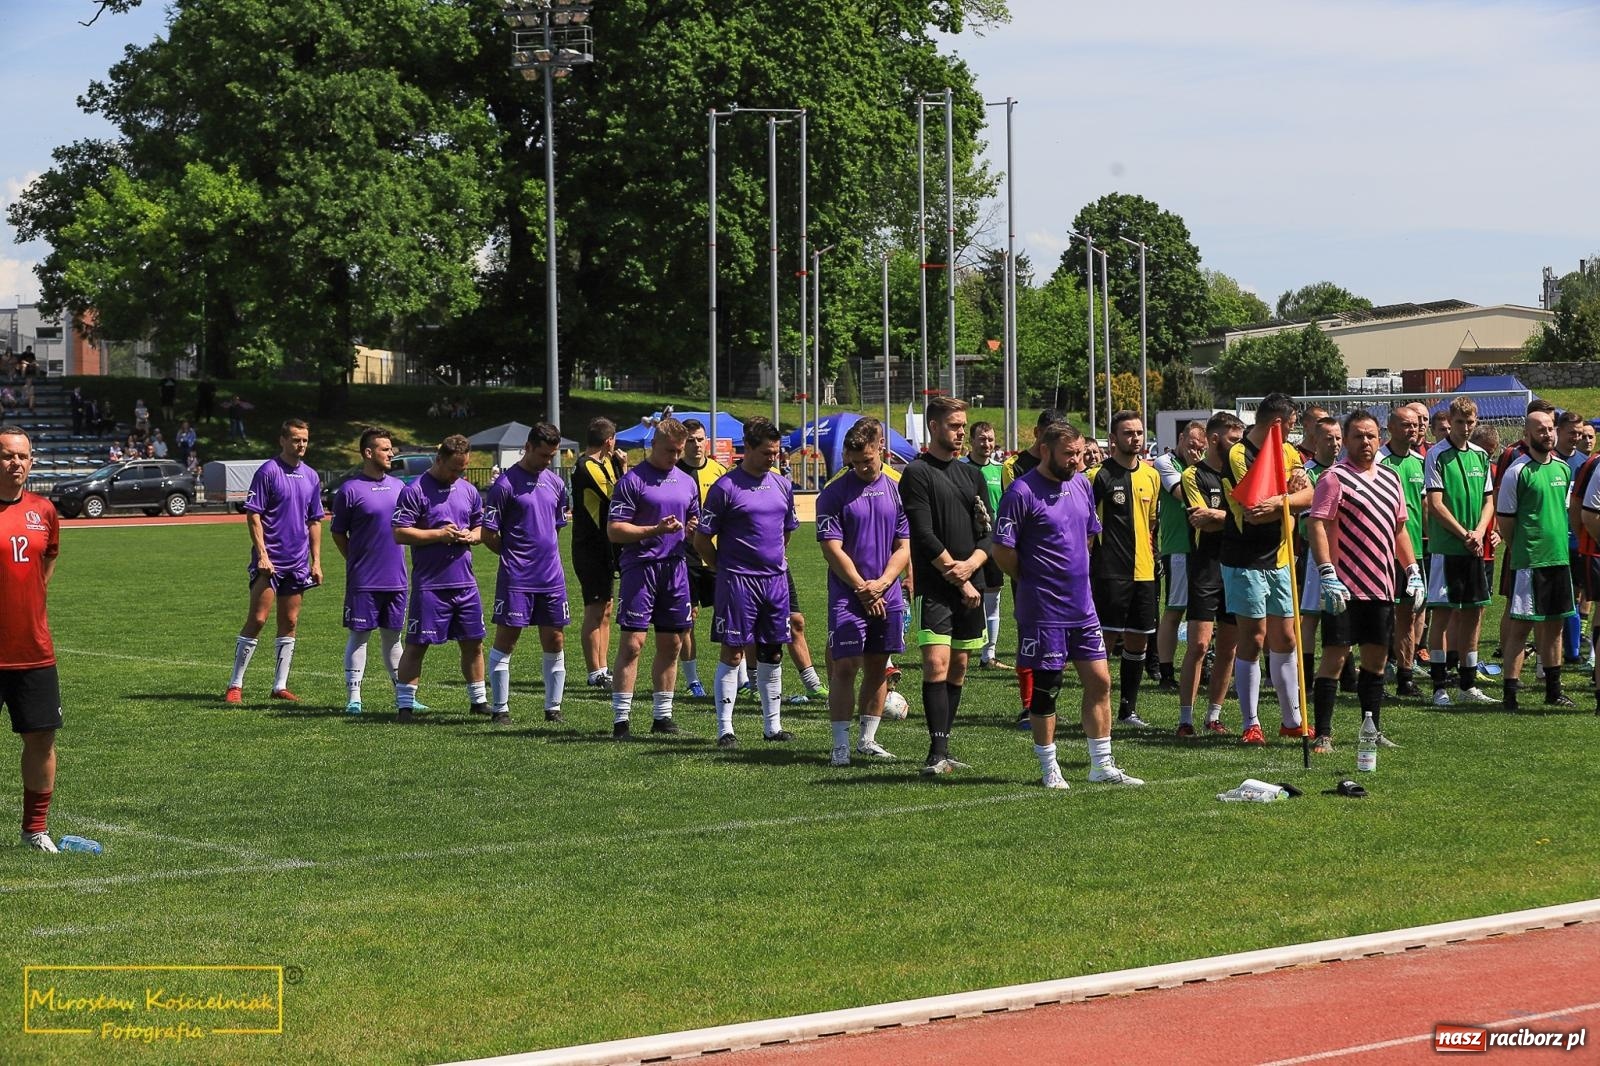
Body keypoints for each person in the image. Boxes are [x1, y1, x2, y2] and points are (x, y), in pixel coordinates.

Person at [992, 420, 1144, 789]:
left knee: (1100, 681)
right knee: (1048, 687)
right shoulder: (1021, 492)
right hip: (1043, 609)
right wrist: (1031, 577)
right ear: (1045, 450)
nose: (1077, 460)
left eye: (1079, 453)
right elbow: (1002, 550)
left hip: (1082, 606)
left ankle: (1101, 765)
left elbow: (1089, 536)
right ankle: (1050, 768)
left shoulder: (1080, 484)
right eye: (1068, 454)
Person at [1307, 410, 1423, 752]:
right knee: (1335, 657)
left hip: (1381, 587)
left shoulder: (1391, 478)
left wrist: (1412, 570)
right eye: (1358, 436)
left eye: (1371, 435)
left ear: (1379, 438)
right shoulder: (1333, 478)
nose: (1365, 442)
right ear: (1346, 440)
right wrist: (1327, 572)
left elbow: (1399, 529)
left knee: (1375, 661)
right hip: (1343, 588)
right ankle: (1323, 733)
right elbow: (1317, 524)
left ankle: (1370, 731)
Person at [899, 396, 992, 775]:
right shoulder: (917, 473)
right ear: (934, 427)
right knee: (935, 664)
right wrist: (957, 574)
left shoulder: (972, 476)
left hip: (971, 584)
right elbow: (923, 534)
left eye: (962, 426)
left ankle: (945, 749)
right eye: (954, 426)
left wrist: (972, 566)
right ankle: (936, 753)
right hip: (936, 586)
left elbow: (989, 533)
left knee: (959, 668)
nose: (960, 433)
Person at [695, 417, 800, 745]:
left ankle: (773, 727)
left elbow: (786, 531)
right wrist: (723, 568)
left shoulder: (782, 485)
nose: (773, 458)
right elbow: (702, 539)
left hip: (775, 583)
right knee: (733, 652)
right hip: (738, 583)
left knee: (773, 653)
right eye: (767, 452)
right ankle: (725, 729)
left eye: (776, 452)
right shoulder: (725, 488)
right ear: (749, 449)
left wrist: (775, 559)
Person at [1219, 392, 1315, 745]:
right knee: (1254, 637)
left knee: (1286, 637)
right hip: (1244, 558)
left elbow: (1309, 495)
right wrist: (1287, 500)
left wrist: (1282, 500)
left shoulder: (1289, 452)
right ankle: (1251, 722)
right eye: (1290, 425)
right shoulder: (1238, 454)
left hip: (1281, 557)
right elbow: (1254, 511)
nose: (1292, 432)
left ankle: (1292, 720)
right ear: (1276, 423)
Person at [816, 419, 909, 765]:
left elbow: (904, 546)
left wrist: (883, 583)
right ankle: (840, 746)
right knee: (844, 667)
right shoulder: (834, 493)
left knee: (877, 666)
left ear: (880, 447)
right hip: (849, 595)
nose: (861, 467)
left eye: (867, 460)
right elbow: (831, 548)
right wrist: (861, 587)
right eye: (854, 462)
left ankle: (867, 740)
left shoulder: (898, 489)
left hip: (888, 593)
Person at [610, 417, 698, 738]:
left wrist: (692, 530)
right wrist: (655, 530)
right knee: (633, 644)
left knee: (672, 643)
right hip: (641, 568)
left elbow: (694, 519)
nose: (675, 457)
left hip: (675, 569)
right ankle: (621, 720)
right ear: (653, 445)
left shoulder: (687, 482)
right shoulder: (632, 481)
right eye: (669, 451)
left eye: (679, 451)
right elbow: (615, 530)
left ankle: (662, 716)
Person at [224, 419, 324, 704]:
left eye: (305, 440)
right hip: (270, 563)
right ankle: (235, 684)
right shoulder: (268, 471)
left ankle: (280, 686)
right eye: (296, 439)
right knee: (257, 619)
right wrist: (263, 555)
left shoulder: (311, 476)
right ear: (282, 440)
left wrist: (316, 561)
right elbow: (253, 514)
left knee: (290, 621)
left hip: (298, 563)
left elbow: (315, 521)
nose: (301, 444)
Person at [392, 435, 488, 723]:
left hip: (465, 583)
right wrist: (439, 534)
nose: (458, 474)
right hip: (431, 584)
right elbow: (400, 532)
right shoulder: (415, 490)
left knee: (473, 642)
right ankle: (405, 706)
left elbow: (480, 525)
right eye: (454, 468)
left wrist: (473, 536)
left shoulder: (468, 490)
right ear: (439, 460)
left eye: (463, 469)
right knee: (417, 644)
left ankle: (479, 701)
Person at [0, 427, 64, 851]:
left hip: (34, 650)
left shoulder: (44, 510)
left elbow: (49, 557)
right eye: (8, 456)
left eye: (22, 456)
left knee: (41, 739)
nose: (16, 463)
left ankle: (34, 830)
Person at [482, 422, 571, 726]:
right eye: (543, 455)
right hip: (517, 578)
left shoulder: (556, 484)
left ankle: (553, 709)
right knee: (507, 640)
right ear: (528, 447)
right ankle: (500, 709)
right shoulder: (504, 485)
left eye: (552, 456)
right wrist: (513, 556)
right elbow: (488, 533)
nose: (547, 461)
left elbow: (556, 528)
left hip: (551, 578)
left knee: (555, 640)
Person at [1497, 407, 1576, 711]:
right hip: (1530, 562)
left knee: (1555, 626)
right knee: (1521, 628)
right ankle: (1510, 693)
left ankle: (1553, 691)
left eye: (1550, 428)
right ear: (1527, 435)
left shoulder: (1563, 469)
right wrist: (1521, 546)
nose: (1547, 434)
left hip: (1558, 560)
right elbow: (1506, 521)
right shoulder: (1517, 471)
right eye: (1540, 429)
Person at [330, 427, 413, 716]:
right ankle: (354, 698)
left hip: (397, 579)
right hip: (364, 580)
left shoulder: (400, 487)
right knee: (359, 636)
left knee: (393, 638)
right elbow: (338, 532)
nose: (391, 454)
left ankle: (404, 696)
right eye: (385, 449)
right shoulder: (350, 490)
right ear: (368, 453)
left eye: (391, 448)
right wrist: (355, 559)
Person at [1422, 397, 1497, 707]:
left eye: (1470, 422)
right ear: (1450, 422)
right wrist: (1464, 533)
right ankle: (1439, 687)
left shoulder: (1480, 455)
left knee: (1473, 614)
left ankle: (1468, 684)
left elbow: (1489, 500)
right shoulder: (1436, 455)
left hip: (1474, 548)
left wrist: (1479, 532)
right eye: (1460, 422)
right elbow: (1435, 504)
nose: (1465, 428)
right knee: (1442, 615)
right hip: (1447, 548)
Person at [1088, 410, 1161, 729]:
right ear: (1113, 439)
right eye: (1128, 433)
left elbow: (1152, 522)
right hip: (1109, 572)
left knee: (1138, 640)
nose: (1135, 438)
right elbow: (1086, 526)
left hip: (1144, 572)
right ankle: (1097, 703)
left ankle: (1128, 710)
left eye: (1139, 432)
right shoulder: (1098, 476)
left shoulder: (1152, 476)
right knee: (1104, 640)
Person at [1178, 412, 1244, 735]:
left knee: (1229, 647)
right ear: (1214, 439)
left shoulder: (1242, 473)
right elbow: (1199, 519)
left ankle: (1213, 716)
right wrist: (1237, 516)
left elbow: (1244, 516)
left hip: (1236, 565)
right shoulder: (1193, 475)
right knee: (1200, 645)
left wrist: (1221, 516)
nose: (1239, 446)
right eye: (1234, 440)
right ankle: (1185, 719)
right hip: (1205, 567)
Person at [1001, 408, 1067, 728]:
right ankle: (1029, 705)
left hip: (1061, 565)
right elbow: (1018, 512)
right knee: (1030, 632)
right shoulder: (1015, 467)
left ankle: (1046, 702)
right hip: (1029, 563)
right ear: (1038, 434)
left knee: (1058, 634)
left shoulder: (1067, 469)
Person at [571, 418, 624, 690]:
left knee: (606, 608)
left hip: (605, 548)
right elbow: (619, 496)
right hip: (589, 548)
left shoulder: (605, 462)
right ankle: (595, 672)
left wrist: (618, 465)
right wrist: (623, 467)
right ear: (608, 441)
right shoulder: (587, 466)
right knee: (594, 609)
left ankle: (603, 668)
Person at [1378, 405, 1427, 697]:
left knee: (1408, 614)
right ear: (1391, 428)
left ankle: (1405, 677)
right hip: (1383, 551)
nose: (1412, 429)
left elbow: (1423, 506)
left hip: (1413, 551)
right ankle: (1378, 670)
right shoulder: (1379, 460)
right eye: (1406, 425)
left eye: (1415, 425)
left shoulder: (1420, 461)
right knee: (1383, 614)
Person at [1152, 421, 1205, 692]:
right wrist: (1198, 469)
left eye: (1201, 448)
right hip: (1179, 547)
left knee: (1205, 611)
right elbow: (1184, 494)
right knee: (1175, 610)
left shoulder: (1203, 464)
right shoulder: (1165, 462)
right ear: (1181, 438)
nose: (1196, 451)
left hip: (1205, 546)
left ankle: (1203, 666)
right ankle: (1166, 672)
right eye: (1192, 444)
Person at [676, 418, 727, 699]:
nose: (696, 445)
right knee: (689, 617)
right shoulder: (674, 473)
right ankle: (693, 680)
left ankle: (741, 677)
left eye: (700, 439)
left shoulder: (720, 472)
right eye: (691, 440)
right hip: (686, 557)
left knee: (730, 614)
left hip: (717, 554)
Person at [964, 420, 1007, 669]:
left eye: (990, 439)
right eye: (982, 439)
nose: (987, 443)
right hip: (967, 542)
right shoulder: (961, 468)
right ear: (972, 441)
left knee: (993, 598)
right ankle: (964, 648)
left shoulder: (1000, 471)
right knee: (967, 597)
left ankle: (988, 655)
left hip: (993, 542)